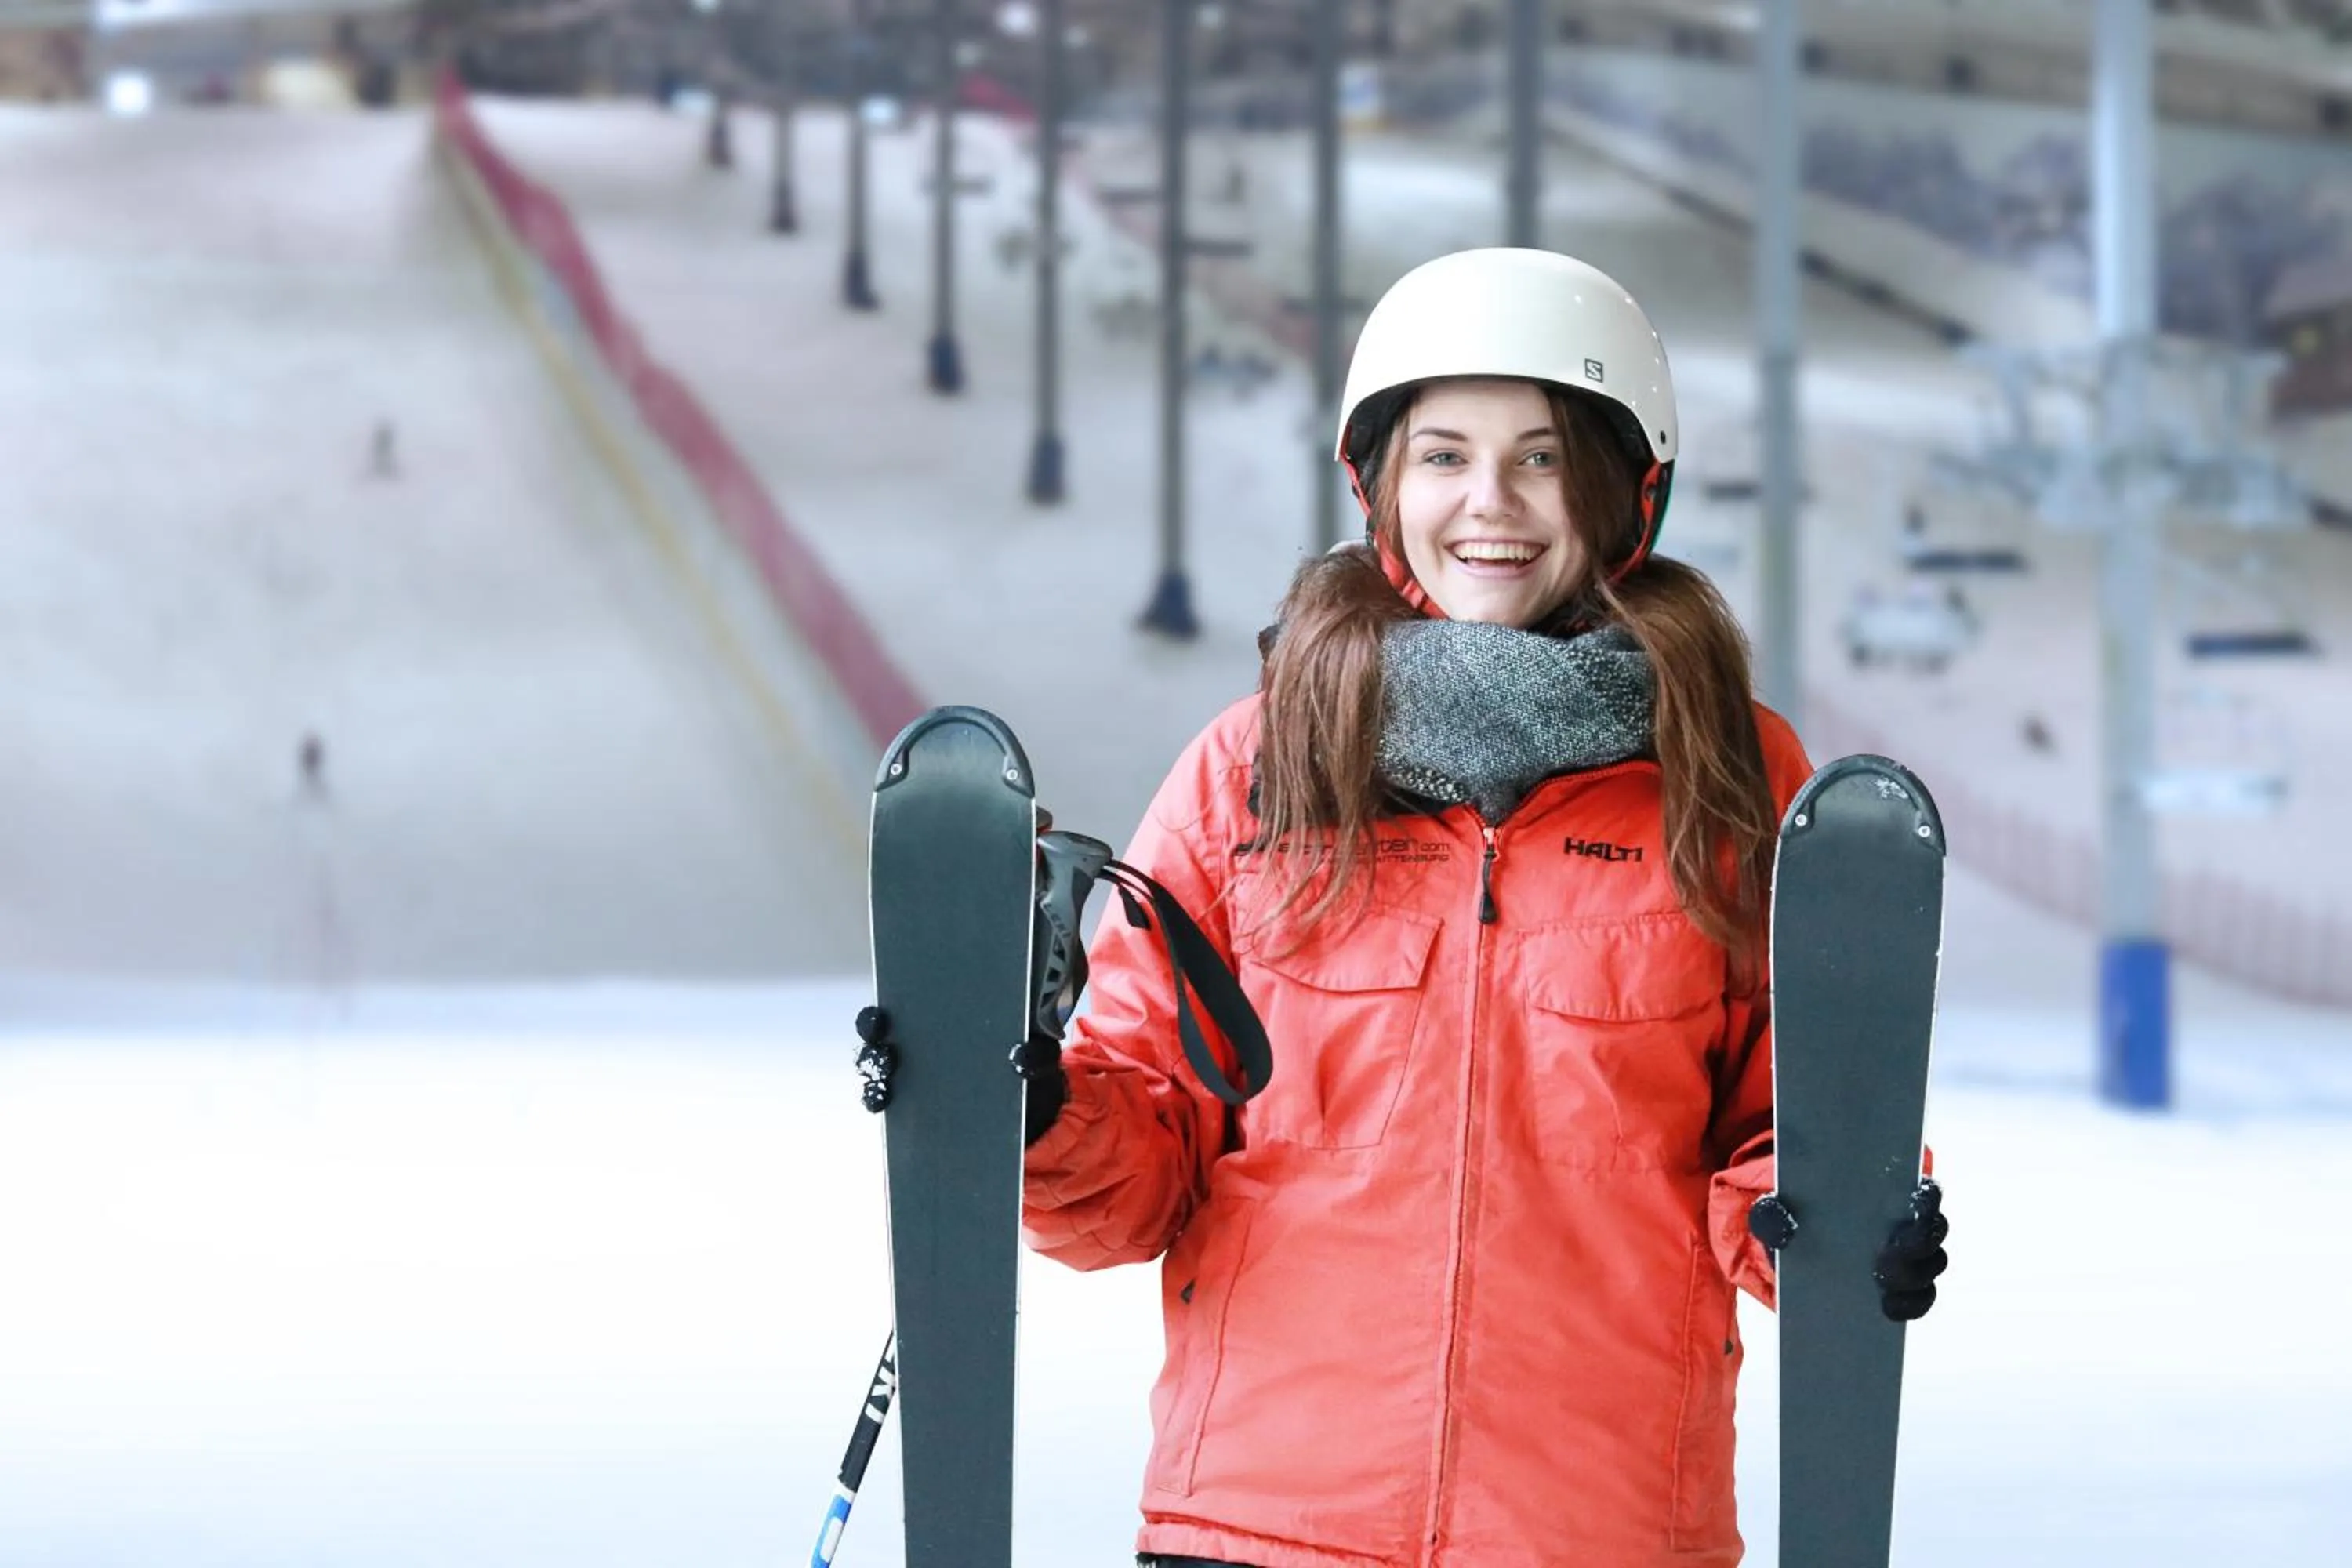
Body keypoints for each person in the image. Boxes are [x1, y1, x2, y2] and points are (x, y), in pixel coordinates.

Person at [1015, 249, 1949, 1568]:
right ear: (1382, 486)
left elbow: (1781, 1144)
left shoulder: (1735, 783)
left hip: (1607, 1529)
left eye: (1544, 457)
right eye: (1444, 456)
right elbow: (1132, 1183)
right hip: (1264, 1527)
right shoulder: (1257, 769)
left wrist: (1850, 1217)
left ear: (1631, 490)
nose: (1489, 504)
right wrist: (1033, 1106)